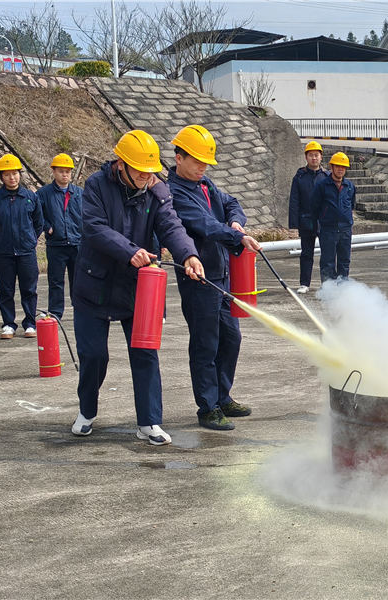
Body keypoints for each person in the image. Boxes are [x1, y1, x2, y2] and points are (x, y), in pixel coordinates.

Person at [70, 130, 204, 446]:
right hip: (95, 284)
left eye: (150, 171)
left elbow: (171, 227)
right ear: (121, 164)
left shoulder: (157, 191)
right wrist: (130, 250)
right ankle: (87, 411)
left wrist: (189, 254)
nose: (146, 177)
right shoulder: (96, 185)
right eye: (140, 170)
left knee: (145, 352)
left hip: (137, 287)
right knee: (94, 355)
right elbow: (94, 228)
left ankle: (149, 422)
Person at [168, 124, 262, 431]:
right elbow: (206, 225)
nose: (202, 167)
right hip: (199, 279)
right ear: (179, 158)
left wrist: (235, 222)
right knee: (205, 344)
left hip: (222, 276)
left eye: (206, 162)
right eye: (197, 161)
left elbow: (231, 203)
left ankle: (223, 396)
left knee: (231, 338)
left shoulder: (205, 184)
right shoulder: (174, 193)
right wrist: (238, 238)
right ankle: (208, 408)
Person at [0, 154, 43, 339]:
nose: (11, 177)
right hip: (4, 252)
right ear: (1, 176)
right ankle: (8, 324)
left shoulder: (30, 197)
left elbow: (38, 222)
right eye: (7, 174)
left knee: (29, 289)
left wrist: (31, 239)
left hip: (26, 252)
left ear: (19, 174)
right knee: (6, 290)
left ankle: (30, 323)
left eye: (14, 173)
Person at [37, 154, 83, 319]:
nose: (65, 175)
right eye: (61, 171)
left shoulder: (79, 193)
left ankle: (81, 311)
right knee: (55, 281)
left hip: (77, 243)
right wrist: (47, 227)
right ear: (53, 172)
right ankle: (56, 313)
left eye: (67, 171)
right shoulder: (44, 193)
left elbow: (88, 215)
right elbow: (36, 214)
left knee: (78, 280)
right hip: (56, 244)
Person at [289, 141, 329, 293]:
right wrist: (294, 223)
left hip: (325, 222)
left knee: (327, 254)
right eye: (311, 155)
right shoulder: (299, 177)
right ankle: (304, 283)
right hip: (306, 220)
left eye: (316, 155)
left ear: (321, 157)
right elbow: (294, 201)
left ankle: (327, 283)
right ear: (306, 157)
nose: (314, 158)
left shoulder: (327, 177)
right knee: (306, 253)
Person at [311, 152, 356, 283]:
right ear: (332, 167)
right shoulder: (322, 185)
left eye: (343, 167)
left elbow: (352, 205)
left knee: (344, 261)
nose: (340, 169)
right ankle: (328, 290)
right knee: (327, 262)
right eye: (338, 166)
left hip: (345, 230)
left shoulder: (349, 186)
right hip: (328, 230)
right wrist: (323, 220)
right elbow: (314, 206)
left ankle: (343, 289)